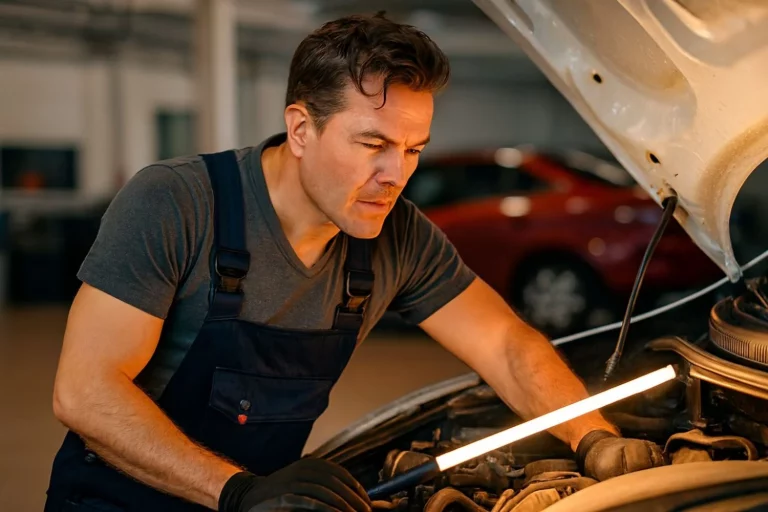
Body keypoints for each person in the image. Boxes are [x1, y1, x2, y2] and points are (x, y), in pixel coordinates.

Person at [44, 12, 664, 512]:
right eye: (372, 144)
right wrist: (235, 492)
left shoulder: (399, 238)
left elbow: (505, 344)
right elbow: (84, 391)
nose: (395, 175)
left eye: (413, 149)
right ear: (301, 128)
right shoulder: (177, 202)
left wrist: (594, 436)